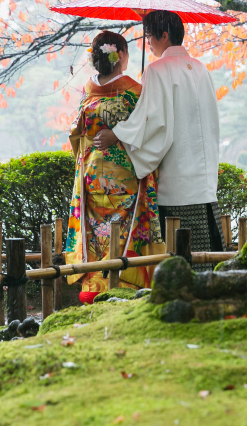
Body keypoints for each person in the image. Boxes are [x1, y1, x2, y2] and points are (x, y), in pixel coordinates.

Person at [93, 11, 224, 261]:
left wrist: (117, 134)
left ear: (164, 36)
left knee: (180, 253)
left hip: (177, 177)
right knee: (209, 253)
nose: (148, 42)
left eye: (150, 36)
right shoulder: (200, 68)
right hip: (205, 179)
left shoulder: (156, 70)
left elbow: (152, 122)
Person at [65, 31, 163, 304]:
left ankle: (94, 286)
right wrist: (118, 134)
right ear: (119, 55)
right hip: (124, 175)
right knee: (123, 228)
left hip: (92, 174)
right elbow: (148, 128)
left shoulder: (88, 91)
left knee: (96, 229)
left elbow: (77, 132)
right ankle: (125, 286)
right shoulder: (134, 90)